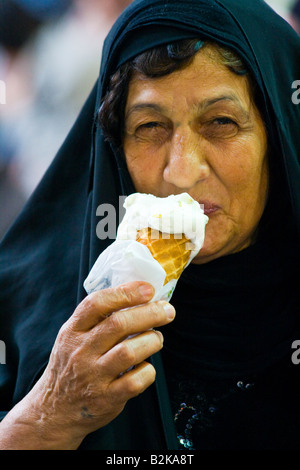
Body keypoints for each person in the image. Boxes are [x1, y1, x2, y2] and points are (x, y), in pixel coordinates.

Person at [0, 0, 299, 450]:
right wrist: (47, 417)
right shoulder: (30, 316)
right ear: (114, 149)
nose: (181, 171)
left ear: (279, 136)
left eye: (221, 122)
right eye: (151, 126)